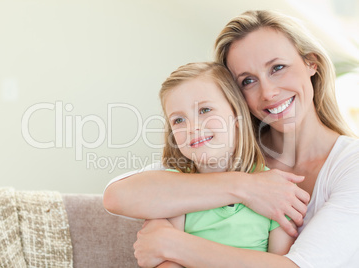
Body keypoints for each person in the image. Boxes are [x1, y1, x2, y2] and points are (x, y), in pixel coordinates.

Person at [103, 10, 359, 267]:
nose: (268, 92)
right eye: (248, 81)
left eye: (278, 68)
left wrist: (172, 244)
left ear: (311, 63)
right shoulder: (227, 149)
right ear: (234, 98)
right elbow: (118, 195)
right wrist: (245, 187)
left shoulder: (350, 164)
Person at [154, 62, 295, 268]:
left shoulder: (275, 191)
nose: (193, 127)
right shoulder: (174, 187)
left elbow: (281, 262)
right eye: (178, 120)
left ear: (237, 115)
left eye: (205, 110)